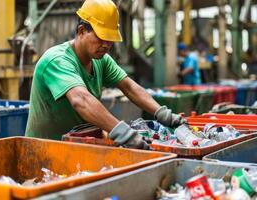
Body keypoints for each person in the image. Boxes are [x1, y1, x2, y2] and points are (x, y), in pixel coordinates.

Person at [25, 0, 185, 149]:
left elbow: (129, 87)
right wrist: (124, 133)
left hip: (77, 146)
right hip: (44, 150)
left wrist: (162, 113)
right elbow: (81, 100)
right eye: (102, 38)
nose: (107, 45)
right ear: (81, 31)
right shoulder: (57, 60)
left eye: (110, 39)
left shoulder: (101, 60)